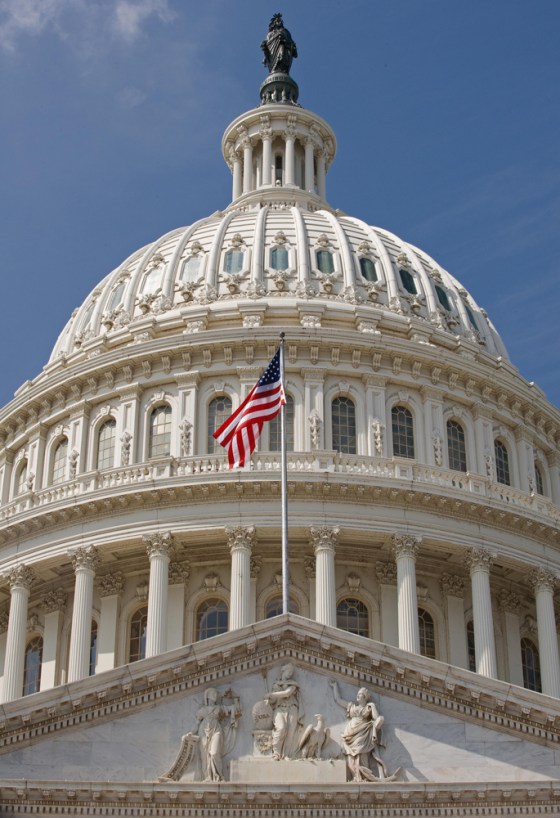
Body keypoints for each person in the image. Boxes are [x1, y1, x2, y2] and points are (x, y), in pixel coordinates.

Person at [330, 681, 386, 781]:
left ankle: (364, 778)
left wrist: (373, 706)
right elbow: (338, 700)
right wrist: (335, 687)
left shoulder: (368, 707)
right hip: (349, 735)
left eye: (359, 694)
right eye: (357, 694)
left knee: (361, 755)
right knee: (350, 760)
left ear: (364, 697)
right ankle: (355, 777)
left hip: (362, 734)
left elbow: (376, 718)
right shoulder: (352, 706)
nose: (357, 696)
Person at [196, 688, 240, 781]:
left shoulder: (219, 708)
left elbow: (233, 708)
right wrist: (190, 733)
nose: (216, 695)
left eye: (216, 694)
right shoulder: (202, 710)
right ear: (208, 696)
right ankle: (207, 777)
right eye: (213, 693)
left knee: (214, 753)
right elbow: (196, 724)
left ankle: (218, 776)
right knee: (204, 756)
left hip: (216, 730)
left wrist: (235, 698)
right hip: (204, 731)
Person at [265, 663, 303, 759]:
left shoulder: (293, 684)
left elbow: (287, 693)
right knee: (281, 728)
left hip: (292, 708)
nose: (290, 674)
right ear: (283, 671)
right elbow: (273, 701)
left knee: (290, 732)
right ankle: (276, 753)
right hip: (279, 709)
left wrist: (271, 694)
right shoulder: (276, 685)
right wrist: (269, 699)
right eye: (289, 671)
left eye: (292, 672)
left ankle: (287, 754)